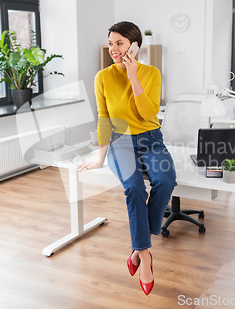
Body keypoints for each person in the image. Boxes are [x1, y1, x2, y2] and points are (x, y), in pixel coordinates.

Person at [76, 21, 176, 295]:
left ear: (134, 46)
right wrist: (99, 157)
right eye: (110, 43)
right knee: (133, 188)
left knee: (166, 181)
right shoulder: (103, 77)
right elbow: (104, 118)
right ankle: (144, 257)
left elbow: (148, 114)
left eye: (119, 43)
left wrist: (133, 76)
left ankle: (137, 246)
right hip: (120, 141)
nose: (113, 49)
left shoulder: (151, 73)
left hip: (151, 138)